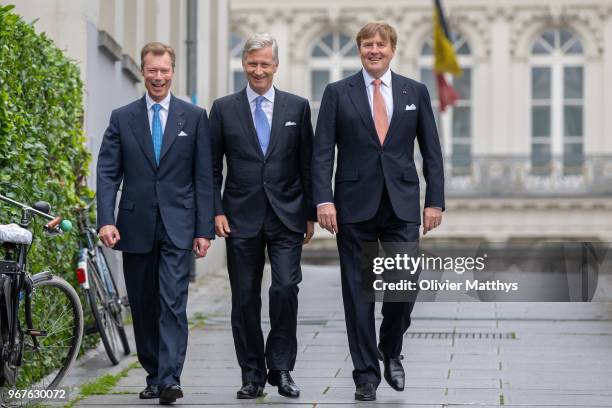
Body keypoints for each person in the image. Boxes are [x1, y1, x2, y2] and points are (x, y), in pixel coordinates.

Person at [312, 22, 445, 401]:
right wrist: (323, 200)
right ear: (359, 50)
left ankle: (391, 347)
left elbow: (432, 151)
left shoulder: (413, 92)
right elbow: (323, 152)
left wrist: (434, 200)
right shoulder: (338, 93)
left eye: (380, 45)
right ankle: (365, 375)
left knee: (406, 279)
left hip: (402, 202)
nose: (374, 50)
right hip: (353, 204)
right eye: (367, 44)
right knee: (358, 293)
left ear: (392, 50)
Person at [96, 42, 214, 405]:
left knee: (172, 302)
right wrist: (106, 220)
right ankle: (152, 374)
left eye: (164, 70)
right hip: (135, 224)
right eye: (152, 70)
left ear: (172, 72)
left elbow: (204, 176)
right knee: (145, 305)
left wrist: (203, 229)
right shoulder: (122, 117)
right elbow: (107, 172)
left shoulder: (193, 117)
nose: (158, 77)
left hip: (179, 224)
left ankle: (170, 379)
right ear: (144, 73)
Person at [210, 33, 315, 400]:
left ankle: (282, 367)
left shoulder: (297, 107)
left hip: (287, 215)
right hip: (240, 216)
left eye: (265, 64)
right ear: (244, 64)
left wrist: (310, 214)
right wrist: (216, 211)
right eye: (252, 63)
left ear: (275, 65)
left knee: (285, 288)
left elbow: (307, 163)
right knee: (243, 297)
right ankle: (252, 373)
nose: (258, 70)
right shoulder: (223, 109)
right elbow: (211, 169)